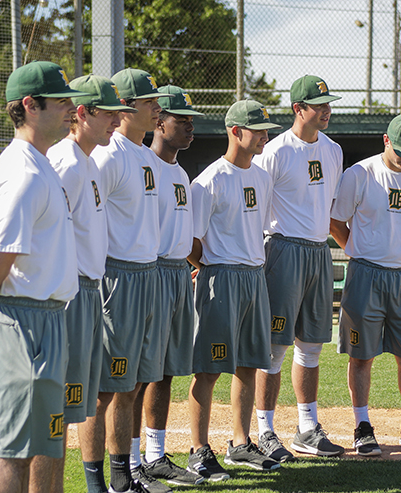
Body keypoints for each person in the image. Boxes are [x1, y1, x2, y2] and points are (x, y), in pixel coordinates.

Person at [0, 61, 84, 493]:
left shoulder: (40, 164)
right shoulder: (23, 172)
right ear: (30, 105)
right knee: (14, 449)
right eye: (61, 101)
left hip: (43, 317)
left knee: (43, 442)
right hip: (22, 321)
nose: (71, 109)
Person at [328, 113, 401, 457]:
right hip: (365, 274)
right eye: (400, 152)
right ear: (385, 140)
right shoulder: (360, 174)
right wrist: (357, 249)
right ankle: (362, 426)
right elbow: (335, 222)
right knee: (361, 355)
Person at [78, 68, 171, 493]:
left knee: (132, 384)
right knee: (105, 389)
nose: (157, 109)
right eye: (149, 102)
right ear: (127, 108)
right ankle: (101, 482)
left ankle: (124, 473)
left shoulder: (146, 156)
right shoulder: (109, 155)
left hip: (148, 273)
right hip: (117, 278)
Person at [43, 74, 136, 493]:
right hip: (70, 293)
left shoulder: (90, 161)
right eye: (109, 113)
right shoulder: (65, 162)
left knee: (77, 401)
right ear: (81, 113)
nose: (117, 120)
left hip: (90, 290)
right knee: (59, 408)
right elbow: (46, 231)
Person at [186, 100, 281, 479]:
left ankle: (241, 444)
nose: (264, 136)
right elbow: (191, 242)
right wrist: (211, 267)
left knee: (249, 364)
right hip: (220, 278)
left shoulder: (262, 177)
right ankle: (198, 450)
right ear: (235, 131)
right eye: (257, 130)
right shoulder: (208, 181)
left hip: (254, 277)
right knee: (209, 369)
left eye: (266, 130)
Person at [252, 75, 345, 461]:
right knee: (275, 347)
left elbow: (330, 207)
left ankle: (307, 428)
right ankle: (264, 431)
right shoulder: (274, 151)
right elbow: (256, 209)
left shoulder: (334, 150)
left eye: (328, 104)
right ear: (298, 109)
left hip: (319, 251)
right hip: (283, 249)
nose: (326, 110)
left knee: (311, 346)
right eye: (319, 105)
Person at [130, 85, 208, 487]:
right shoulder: (142, 163)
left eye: (192, 120)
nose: (190, 127)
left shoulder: (180, 172)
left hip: (177, 274)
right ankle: (129, 463)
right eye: (182, 120)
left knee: (165, 371)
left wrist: (194, 265)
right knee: (138, 375)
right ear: (159, 122)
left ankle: (155, 455)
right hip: (150, 272)